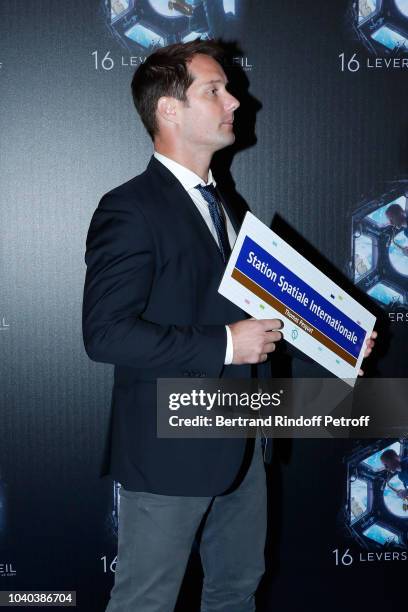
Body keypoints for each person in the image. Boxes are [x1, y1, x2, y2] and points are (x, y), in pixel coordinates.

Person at [82, 39, 376, 612]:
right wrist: (222, 344)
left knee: (235, 595)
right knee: (146, 601)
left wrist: (337, 338)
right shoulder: (129, 208)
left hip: (243, 441)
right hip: (169, 448)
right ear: (169, 109)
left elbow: (267, 314)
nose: (235, 101)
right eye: (214, 91)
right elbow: (106, 333)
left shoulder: (229, 208)